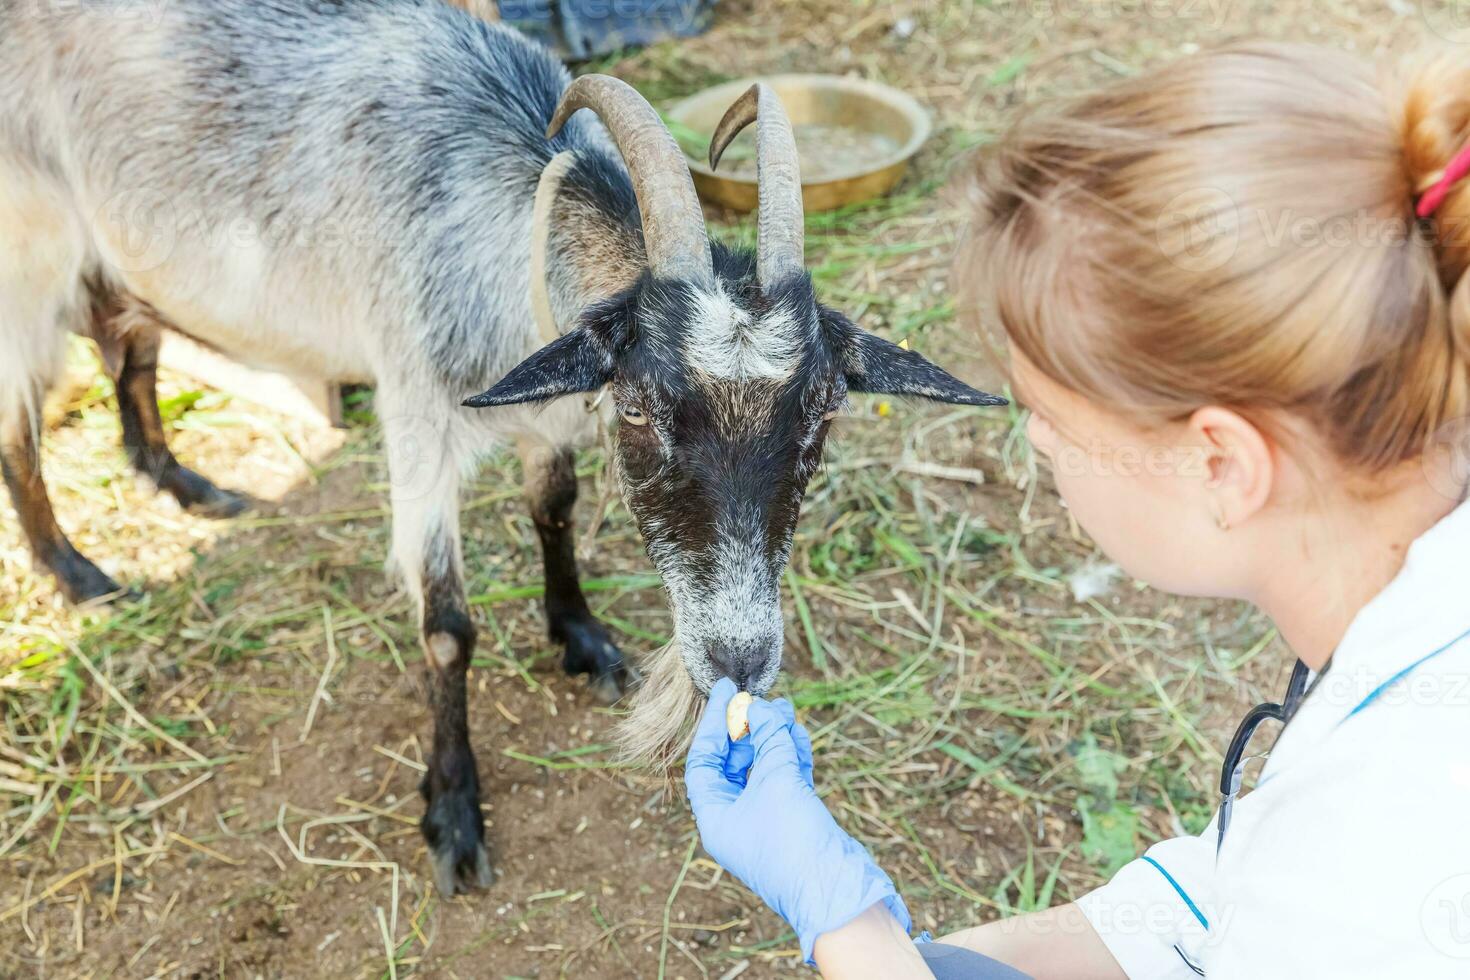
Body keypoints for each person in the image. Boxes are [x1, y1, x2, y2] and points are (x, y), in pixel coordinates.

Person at [685, 42, 1470, 979]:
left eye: (1046, 413)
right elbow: (1223, 904)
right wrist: (914, 958)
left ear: (1221, 462)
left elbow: (1310, 901)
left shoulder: (1387, 856)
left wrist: (843, 925)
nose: (1041, 445)